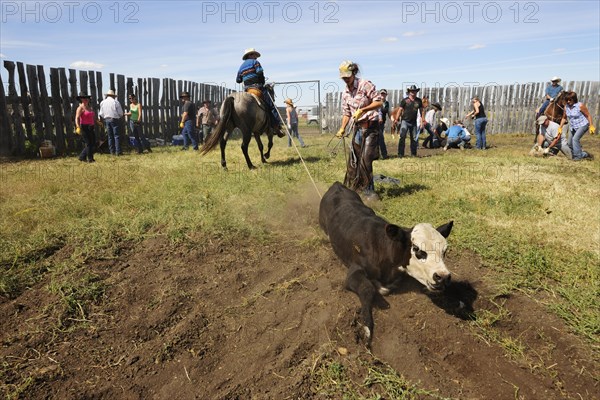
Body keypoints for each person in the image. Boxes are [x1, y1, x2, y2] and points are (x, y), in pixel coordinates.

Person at [335, 60, 383, 197]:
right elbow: (346, 113)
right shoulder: (345, 93)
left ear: (353, 73)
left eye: (347, 76)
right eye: (343, 77)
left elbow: (379, 102)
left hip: (371, 128)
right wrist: (342, 128)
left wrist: (363, 109)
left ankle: (369, 193)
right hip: (358, 129)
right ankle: (352, 190)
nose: (345, 79)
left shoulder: (365, 84)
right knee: (353, 162)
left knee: (365, 161)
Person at [235, 48, 283, 137]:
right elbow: (260, 73)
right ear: (250, 55)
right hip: (257, 87)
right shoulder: (255, 62)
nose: (256, 57)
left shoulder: (241, 66)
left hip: (247, 90)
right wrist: (262, 82)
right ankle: (276, 126)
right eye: (254, 55)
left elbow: (238, 80)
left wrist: (245, 77)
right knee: (271, 106)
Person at [559, 91, 596, 161]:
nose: (568, 101)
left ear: (574, 99)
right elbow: (564, 118)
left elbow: (588, 115)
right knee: (569, 143)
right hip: (573, 126)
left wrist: (591, 125)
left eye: (570, 100)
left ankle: (578, 158)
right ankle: (584, 154)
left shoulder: (580, 106)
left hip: (582, 125)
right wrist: (560, 127)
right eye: (567, 100)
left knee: (575, 139)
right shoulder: (566, 107)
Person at [396, 85, 425, 157]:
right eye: (412, 91)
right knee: (402, 136)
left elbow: (422, 111)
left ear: (416, 92)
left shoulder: (418, 101)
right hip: (405, 121)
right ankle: (400, 154)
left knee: (414, 138)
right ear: (409, 92)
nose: (413, 92)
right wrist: (396, 119)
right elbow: (400, 110)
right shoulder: (405, 100)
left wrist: (422, 121)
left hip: (413, 122)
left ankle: (413, 154)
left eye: (414, 91)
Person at [98, 89, 124, 155]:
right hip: (114, 119)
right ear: (113, 96)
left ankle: (112, 151)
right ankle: (118, 151)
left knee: (110, 136)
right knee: (116, 136)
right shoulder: (116, 102)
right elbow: (121, 113)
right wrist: (117, 116)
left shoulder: (103, 102)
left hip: (107, 119)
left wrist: (106, 117)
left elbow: (101, 113)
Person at [75, 92, 96, 163]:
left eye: (87, 98)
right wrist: (78, 127)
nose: (86, 99)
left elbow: (92, 116)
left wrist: (98, 121)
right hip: (84, 127)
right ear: (81, 99)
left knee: (92, 143)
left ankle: (82, 157)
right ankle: (90, 158)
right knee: (88, 143)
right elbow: (77, 118)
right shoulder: (80, 108)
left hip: (91, 127)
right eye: (84, 98)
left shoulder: (90, 107)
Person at [377, 89, 390, 159]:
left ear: (386, 95)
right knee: (380, 138)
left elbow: (388, 112)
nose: (382, 95)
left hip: (382, 123)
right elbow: (378, 111)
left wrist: (392, 120)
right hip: (375, 122)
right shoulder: (376, 102)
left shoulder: (387, 103)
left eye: (384, 94)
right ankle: (383, 155)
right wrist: (379, 117)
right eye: (381, 94)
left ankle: (380, 154)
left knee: (380, 138)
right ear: (379, 94)